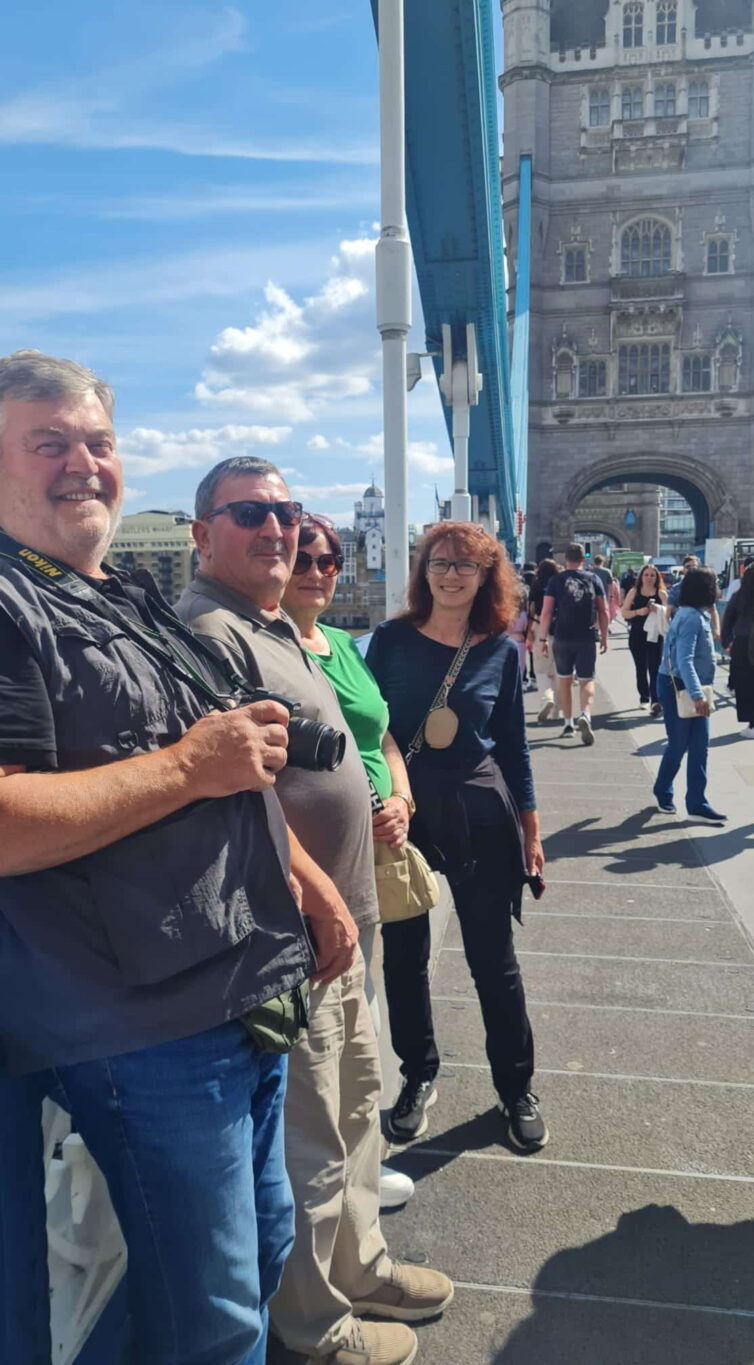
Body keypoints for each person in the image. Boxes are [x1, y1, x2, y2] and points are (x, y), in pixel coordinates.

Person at [0, 351, 360, 1365]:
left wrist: (308, 882)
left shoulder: (126, 594)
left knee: (245, 1263)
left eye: (99, 444)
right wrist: (184, 770)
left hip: (237, 982)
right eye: (49, 444)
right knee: (217, 1316)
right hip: (134, 1023)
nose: (84, 465)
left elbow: (230, 764)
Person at [177, 458, 453, 1365]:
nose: (277, 528)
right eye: (250, 511)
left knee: (358, 1110)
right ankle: (316, 1323)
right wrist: (316, 893)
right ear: (201, 533)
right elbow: (228, 795)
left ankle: (362, 1265)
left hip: (349, 921)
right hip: (292, 936)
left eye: (286, 511)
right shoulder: (207, 632)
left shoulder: (282, 630)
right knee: (310, 1145)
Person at [365, 521, 548, 1154]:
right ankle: (418, 1075)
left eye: (465, 566)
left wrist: (532, 829)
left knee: (493, 961)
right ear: (423, 571)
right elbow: (369, 730)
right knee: (405, 955)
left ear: (486, 576)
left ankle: (516, 1087)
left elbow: (516, 750)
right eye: (439, 563)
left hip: (481, 812)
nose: (450, 574)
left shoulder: (502, 650)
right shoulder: (388, 641)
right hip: (404, 813)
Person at [279, 511, 416, 1212]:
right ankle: (328, 1193)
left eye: (330, 559)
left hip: (371, 864)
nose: (317, 570)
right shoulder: (265, 643)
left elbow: (383, 733)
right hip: (309, 882)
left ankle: (363, 1167)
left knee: (364, 1020)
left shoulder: (340, 642)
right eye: (303, 556)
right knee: (317, 1048)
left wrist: (403, 795)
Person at [653, 567, 725, 823]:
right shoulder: (693, 618)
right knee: (680, 743)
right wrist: (697, 695)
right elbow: (684, 660)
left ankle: (697, 802)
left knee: (699, 746)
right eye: (716, 584)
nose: (719, 589)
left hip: (691, 686)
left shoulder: (695, 614)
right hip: (681, 688)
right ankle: (664, 791)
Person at [536, 542, 609, 744]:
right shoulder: (593, 578)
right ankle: (585, 714)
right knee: (586, 680)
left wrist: (542, 639)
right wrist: (603, 636)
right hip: (585, 637)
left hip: (562, 637)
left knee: (564, 680)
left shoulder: (555, 580)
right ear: (583, 559)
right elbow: (603, 611)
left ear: (565, 559)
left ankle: (568, 724)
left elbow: (546, 613)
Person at [721, 561, 754, 739]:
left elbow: (728, 619)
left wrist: (726, 642)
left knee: (746, 684)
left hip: (742, 643)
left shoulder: (740, 595)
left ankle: (752, 723)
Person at [620, 563, 668, 715]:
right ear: (641, 577)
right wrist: (638, 612)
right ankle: (644, 697)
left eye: (652, 575)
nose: (649, 578)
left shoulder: (661, 593)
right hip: (637, 635)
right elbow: (624, 613)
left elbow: (669, 613)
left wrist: (659, 609)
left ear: (657, 578)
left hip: (655, 636)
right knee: (641, 667)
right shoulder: (634, 592)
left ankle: (656, 700)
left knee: (655, 668)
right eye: (646, 575)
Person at [526, 557, 560, 723]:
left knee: (541, 669)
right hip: (561, 628)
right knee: (560, 670)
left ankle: (547, 699)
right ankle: (558, 712)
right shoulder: (561, 583)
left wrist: (529, 632)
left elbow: (532, 609)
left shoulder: (537, 584)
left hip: (541, 626)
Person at [592, 554, 621, 630]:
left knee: (595, 612)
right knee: (604, 612)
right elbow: (610, 585)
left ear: (594, 562)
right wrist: (611, 595)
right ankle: (604, 628)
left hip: (593, 595)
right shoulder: (607, 571)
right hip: (604, 595)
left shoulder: (590, 571)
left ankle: (596, 627)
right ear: (602, 562)